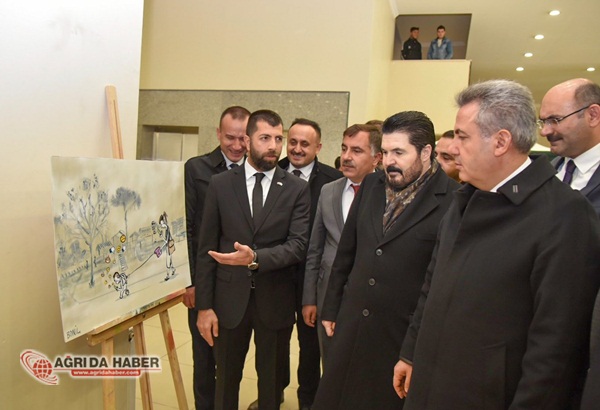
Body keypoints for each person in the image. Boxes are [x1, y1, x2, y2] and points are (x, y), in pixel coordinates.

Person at [394, 80, 600, 409]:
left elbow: (556, 347)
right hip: (431, 384)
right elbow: (432, 286)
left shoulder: (565, 215)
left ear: (501, 142)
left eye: (462, 137)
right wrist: (411, 352)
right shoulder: (464, 199)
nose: (453, 148)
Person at [311, 111, 459, 410]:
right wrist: (332, 307)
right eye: (386, 152)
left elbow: (442, 284)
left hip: (400, 334)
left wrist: (413, 350)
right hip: (352, 324)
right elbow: (347, 251)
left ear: (426, 152)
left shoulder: (454, 200)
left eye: (399, 153)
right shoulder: (372, 184)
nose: (389, 161)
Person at [195, 109, 311, 410]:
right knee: (226, 380)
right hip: (228, 301)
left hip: (275, 300)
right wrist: (204, 307)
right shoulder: (221, 184)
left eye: (278, 138)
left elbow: (298, 245)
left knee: (271, 384)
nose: (274, 146)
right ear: (247, 141)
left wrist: (256, 258)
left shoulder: (297, 188)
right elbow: (206, 248)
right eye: (265, 138)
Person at [246, 119, 341, 410]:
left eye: (305, 144)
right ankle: (273, 393)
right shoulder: (271, 171)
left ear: (318, 147)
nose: (297, 149)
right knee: (275, 344)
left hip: (313, 278)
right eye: (293, 142)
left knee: (310, 346)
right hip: (276, 275)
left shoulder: (333, 180)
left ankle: (308, 401)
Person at [183, 105, 250, 410]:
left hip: (239, 283)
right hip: (204, 279)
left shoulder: (258, 173)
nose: (236, 145)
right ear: (218, 134)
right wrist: (190, 282)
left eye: (242, 138)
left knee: (231, 362)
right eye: (229, 137)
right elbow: (187, 228)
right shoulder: (197, 169)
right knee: (203, 358)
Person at [302, 124, 382, 366]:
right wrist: (309, 298)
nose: (346, 157)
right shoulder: (328, 191)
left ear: (376, 157)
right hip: (328, 294)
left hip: (369, 296)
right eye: (344, 148)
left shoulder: (387, 195)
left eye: (356, 151)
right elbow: (315, 249)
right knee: (330, 361)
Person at [538, 78, 600, 217]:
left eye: (555, 120)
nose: (544, 131)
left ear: (593, 115)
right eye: (543, 122)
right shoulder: (546, 172)